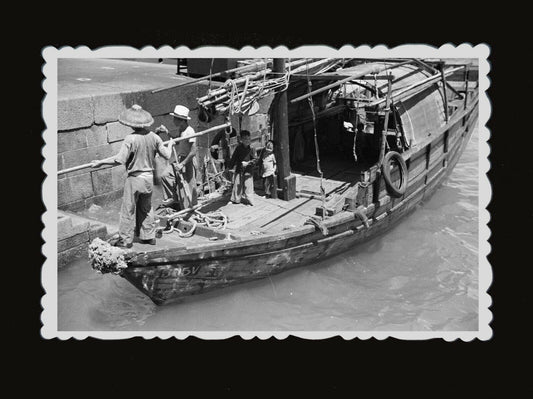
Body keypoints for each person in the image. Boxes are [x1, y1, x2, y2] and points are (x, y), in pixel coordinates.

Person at [90, 104, 173, 248]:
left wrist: (100, 163)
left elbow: (119, 159)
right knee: (146, 209)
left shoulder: (131, 139)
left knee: (128, 210)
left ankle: (125, 240)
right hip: (148, 179)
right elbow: (167, 155)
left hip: (135, 179)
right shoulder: (154, 137)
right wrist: (171, 144)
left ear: (131, 124)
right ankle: (148, 237)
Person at [157, 105, 198, 210]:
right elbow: (177, 140)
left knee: (188, 185)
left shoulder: (190, 131)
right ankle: (173, 199)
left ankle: (191, 209)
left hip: (188, 161)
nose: (174, 120)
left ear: (182, 120)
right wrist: (166, 132)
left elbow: (193, 151)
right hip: (180, 158)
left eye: (175, 118)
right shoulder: (181, 129)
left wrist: (183, 164)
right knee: (165, 175)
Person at [228, 130, 256, 205]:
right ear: (241, 140)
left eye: (248, 139)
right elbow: (234, 158)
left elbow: (255, 160)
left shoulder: (252, 148)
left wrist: (248, 163)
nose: (247, 141)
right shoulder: (238, 148)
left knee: (248, 186)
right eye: (245, 139)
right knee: (237, 184)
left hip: (248, 170)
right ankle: (235, 199)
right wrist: (229, 167)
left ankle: (250, 201)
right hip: (239, 169)